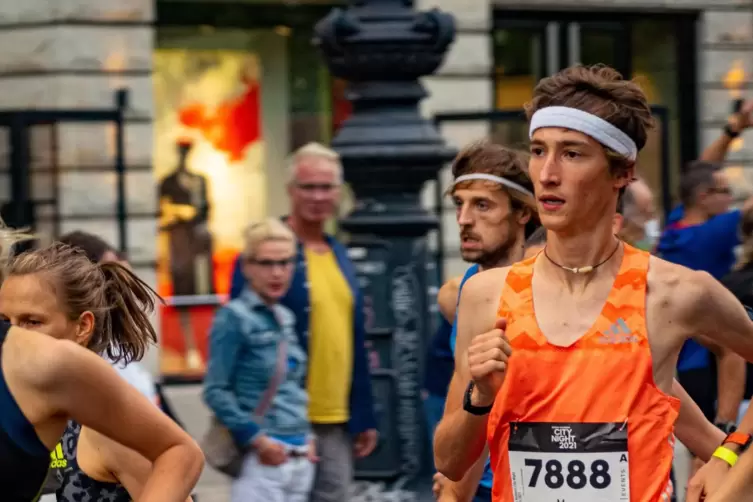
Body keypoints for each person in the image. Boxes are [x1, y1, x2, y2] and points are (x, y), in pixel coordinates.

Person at [433, 64, 753, 502]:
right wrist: (480, 397)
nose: (546, 174)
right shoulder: (485, 294)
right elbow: (450, 463)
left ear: (622, 172)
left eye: (572, 154)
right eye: (538, 151)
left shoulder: (675, 292)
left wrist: (729, 455)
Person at [0, 238, 204, 501]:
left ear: (83, 326)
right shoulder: (15, 407)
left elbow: (180, 466)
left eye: (32, 321)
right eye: (5, 322)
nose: (16, 335)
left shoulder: (106, 426)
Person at [229, 143, 377, 502]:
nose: (318, 196)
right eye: (308, 187)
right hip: (279, 421)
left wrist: (365, 413)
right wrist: (248, 425)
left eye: (327, 187)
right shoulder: (264, 253)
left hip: (335, 420)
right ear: (290, 190)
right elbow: (236, 337)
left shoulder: (339, 253)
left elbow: (355, 340)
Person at [430, 142, 538, 502]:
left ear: (522, 213)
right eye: (459, 204)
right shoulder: (453, 295)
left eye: (482, 205)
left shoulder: (547, 291)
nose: (463, 220)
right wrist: (452, 474)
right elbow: (462, 394)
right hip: (474, 483)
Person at [204, 219, 315, 502]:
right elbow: (216, 390)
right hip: (263, 455)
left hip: (300, 453)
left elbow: (292, 385)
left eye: (285, 262)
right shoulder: (233, 318)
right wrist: (256, 439)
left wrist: (309, 435)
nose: (277, 273)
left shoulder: (285, 317)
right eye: (266, 263)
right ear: (247, 267)